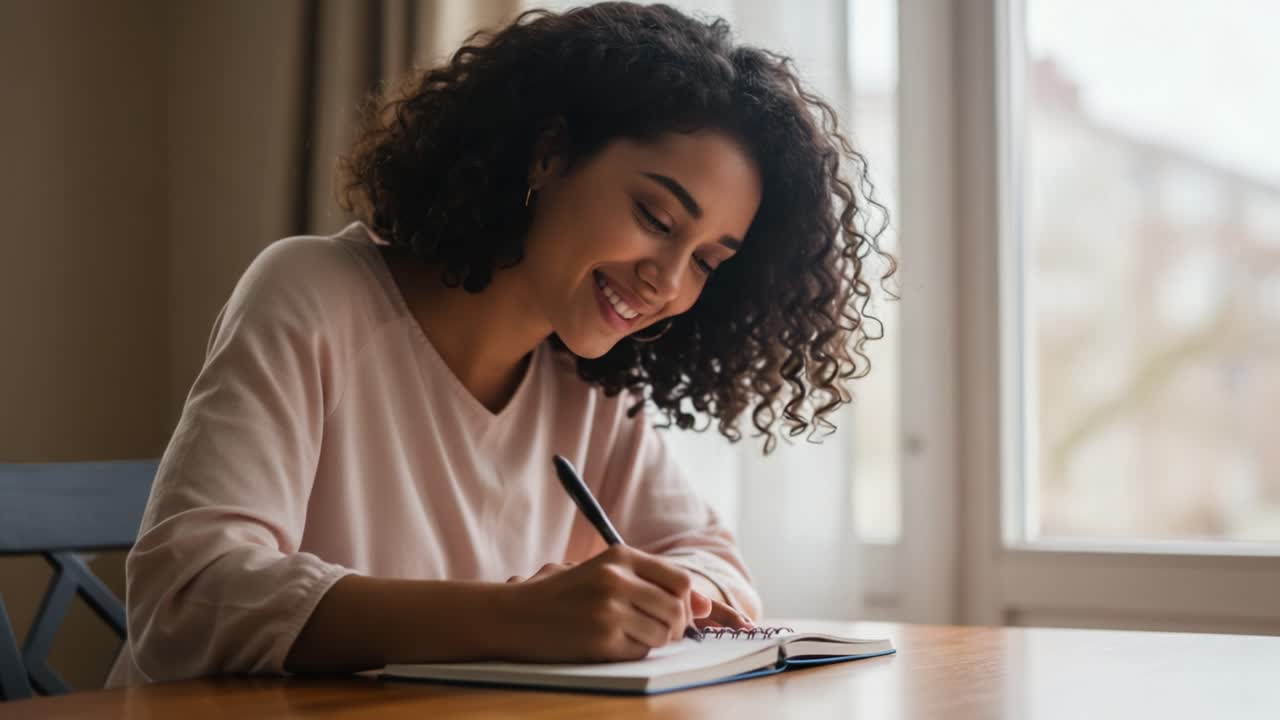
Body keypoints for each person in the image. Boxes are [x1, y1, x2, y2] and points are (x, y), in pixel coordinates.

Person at [106, 1, 894, 686]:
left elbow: (714, 564)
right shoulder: (313, 293)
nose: (668, 282)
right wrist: (513, 616)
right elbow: (189, 599)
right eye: (657, 219)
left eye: (708, 262)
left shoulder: (587, 383)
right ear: (548, 153)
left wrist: (662, 595)